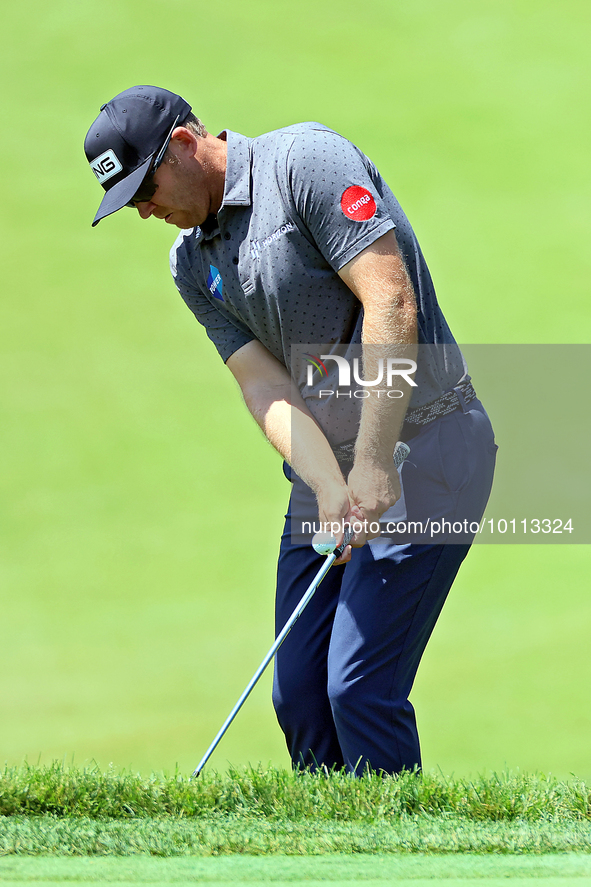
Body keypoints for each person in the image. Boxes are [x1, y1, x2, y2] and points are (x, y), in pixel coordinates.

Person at [84, 85, 497, 775]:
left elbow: (389, 299)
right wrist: (328, 484)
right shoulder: (190, 263)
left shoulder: (304, 162)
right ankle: (331, 862)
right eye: (129, 203)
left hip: (427, 447)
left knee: (357, 689)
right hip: (332, 470)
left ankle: (400, 865)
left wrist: (368, 462)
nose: (144, 210)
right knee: (300, 694)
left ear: (185, 143)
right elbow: (264, 385)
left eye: (144, 188)